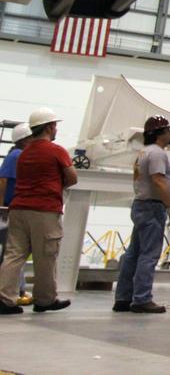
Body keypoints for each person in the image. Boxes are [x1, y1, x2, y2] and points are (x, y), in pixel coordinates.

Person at [0, 108, 77, 314]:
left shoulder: (23, 153)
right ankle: (44, 300)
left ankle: (4, 299)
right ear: (50, 127)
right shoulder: (56, 150)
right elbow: (72, 177)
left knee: (14, 255)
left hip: (18, 209)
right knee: (45, 256)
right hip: (44, 210)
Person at [113, 116, 170, 314]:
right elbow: (158, 181)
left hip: (141, 205)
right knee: (148, 255)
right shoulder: (157, 153)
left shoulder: (144, 152)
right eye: (167, 130)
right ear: (160, 134)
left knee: (134, 254)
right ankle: (141, 299)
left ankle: (123, 297)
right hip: (152, 207)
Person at [0, 124, 33, 306]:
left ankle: (17, 288)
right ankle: (14, 290)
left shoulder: (16, 155)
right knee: (13, 251)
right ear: (25, 139)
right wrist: (2, 207)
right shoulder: (17, 156)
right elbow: (3, 180)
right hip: (9, 209)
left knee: (13, 251)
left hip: (12, 208)